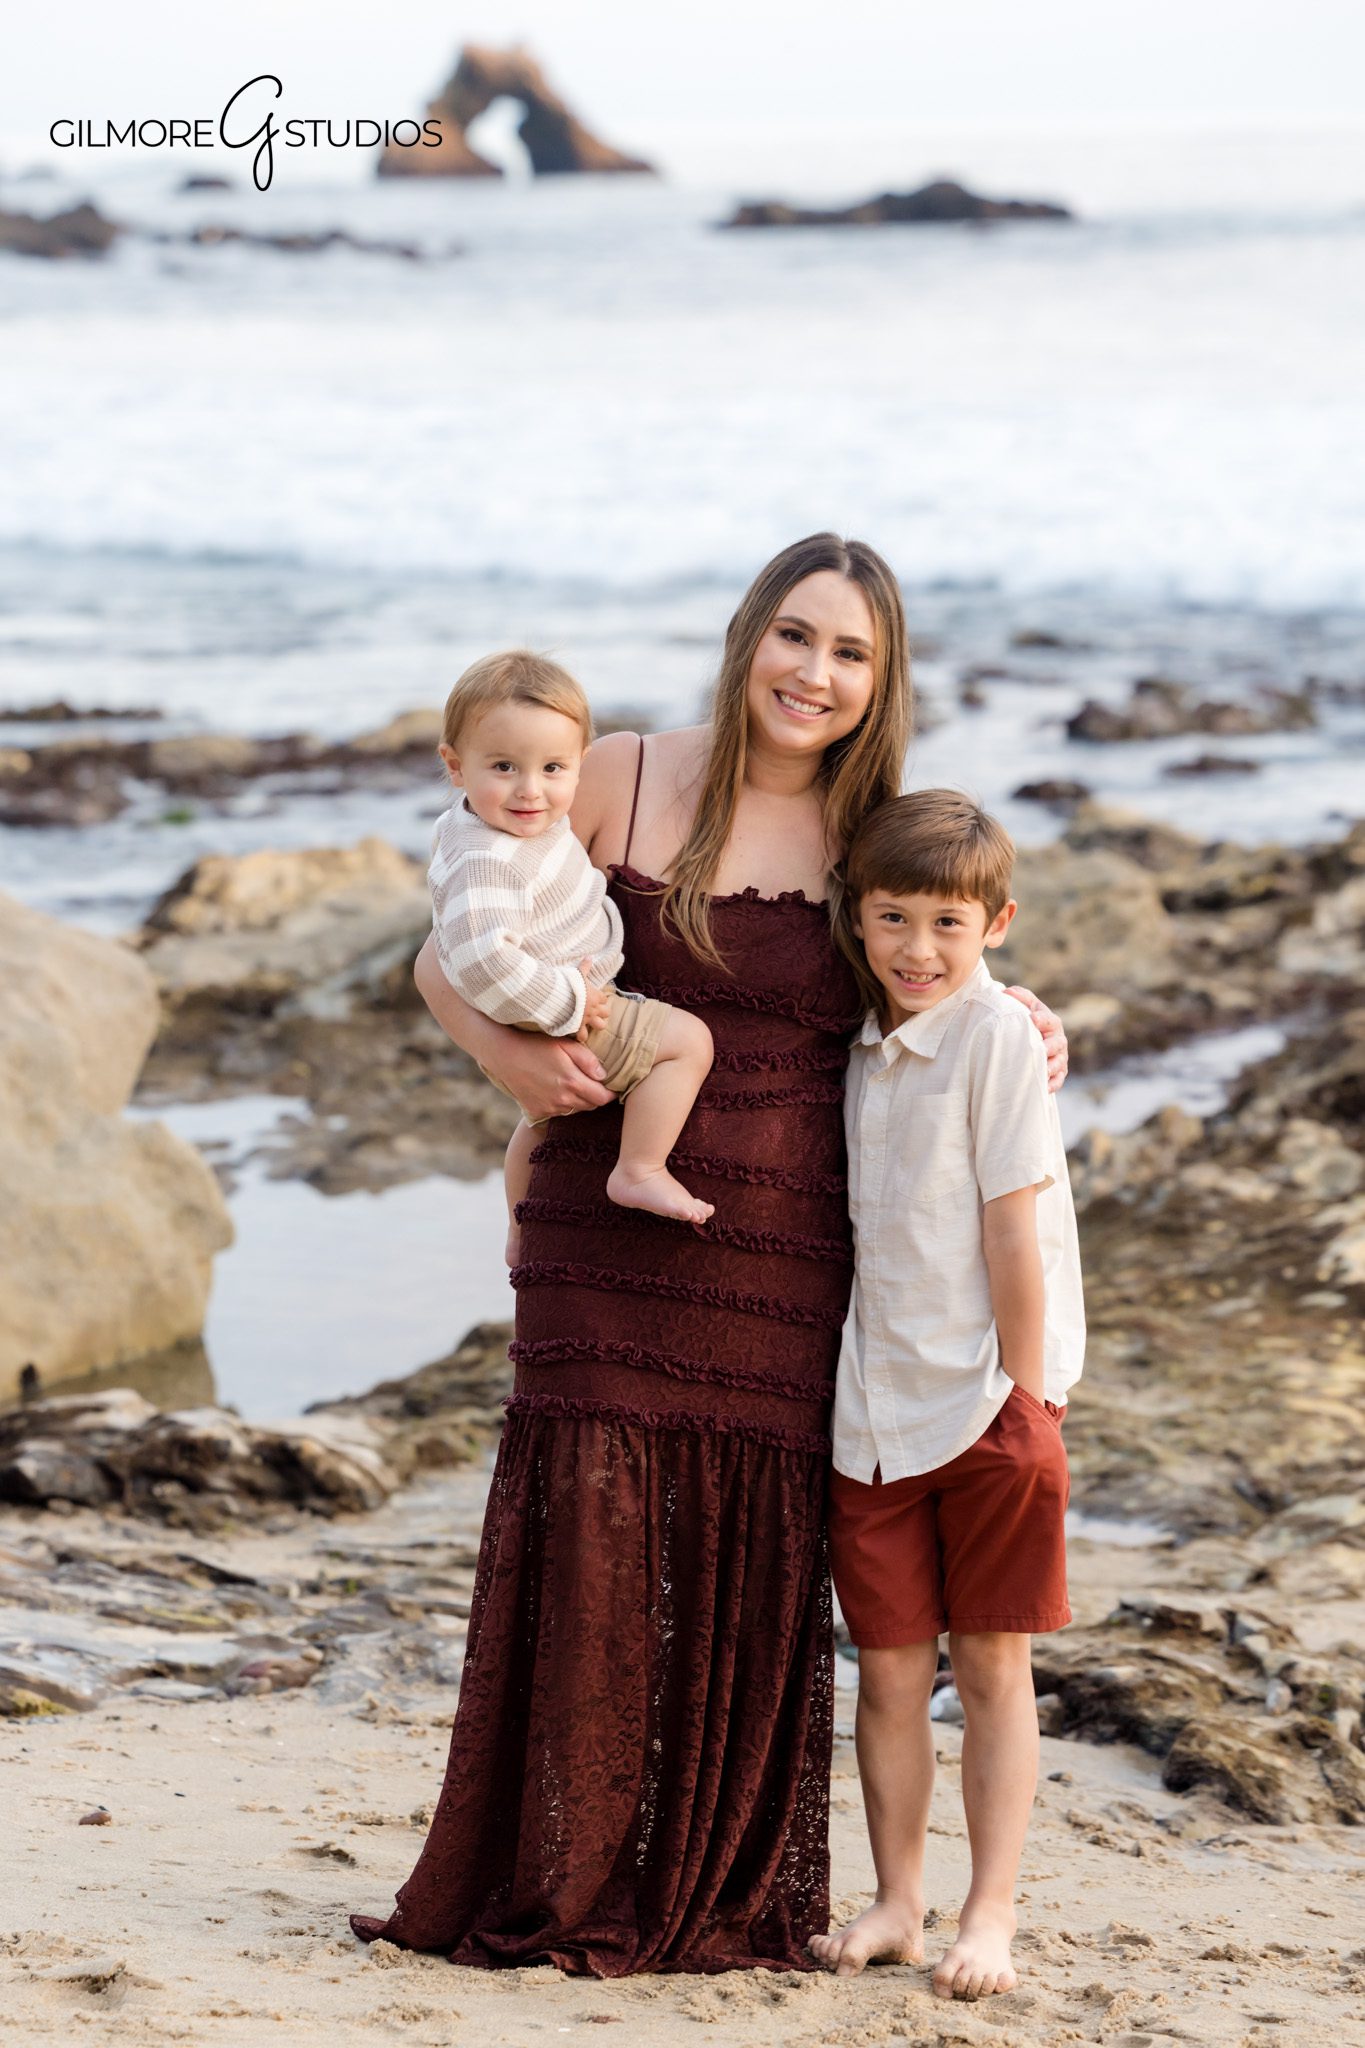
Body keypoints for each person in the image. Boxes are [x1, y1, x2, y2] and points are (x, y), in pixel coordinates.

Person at [349, 535, 1068, 1976]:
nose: (814, 672)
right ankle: (561, 1879)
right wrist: (506, 1058)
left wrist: (1031, 1007)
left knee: (748, 1563)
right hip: (598, 1230)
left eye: (850, 653)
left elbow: (939, 962)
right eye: (794, 636)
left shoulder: (870, 830)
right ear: (749, 637)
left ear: (881, 680)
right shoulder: (609, 774)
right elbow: (446, 945)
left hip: (796, 1251)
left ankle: (709, 1888)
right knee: (598, 1538)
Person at [810, 791, 1084, 1999]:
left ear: (997, 923)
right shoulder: (860, 1046)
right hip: (872, 1414)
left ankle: (991, 1911)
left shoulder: (996, 1039)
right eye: (894, 917)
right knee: (885, 1671)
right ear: (856, 919)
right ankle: (898, 1897)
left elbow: (1012, 1234)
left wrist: (1026, 1400)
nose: (919, 947)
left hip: (987, 1407)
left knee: (990, 1667)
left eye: (949, 923)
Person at [427, 649, 716, 1263]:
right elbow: (479, 960)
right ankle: (639, 1167)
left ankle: (518, 1226)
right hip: (566, 1006)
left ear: (581, 764)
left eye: (553, 768)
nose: (531, 790)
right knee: (688, 1043)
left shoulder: (491, 825)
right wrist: (571, 1003)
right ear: (455, 766)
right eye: (504, 767)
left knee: (538, 1122)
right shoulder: (491, 858)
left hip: (544, 1004)